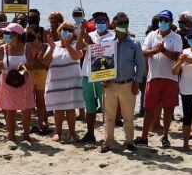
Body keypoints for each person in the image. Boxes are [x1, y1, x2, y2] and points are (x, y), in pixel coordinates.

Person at [100, 12, 146, 153]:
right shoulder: (106, 43)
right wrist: (102, 78)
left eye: (126, 23)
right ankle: (108, 141)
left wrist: (136, 83)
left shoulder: (134, 43)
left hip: (128, 84)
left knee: (128, 116)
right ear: (114, 24)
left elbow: (141, 65)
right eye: (120, 23)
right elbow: (100, 63)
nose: (123, 26)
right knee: (109, 116)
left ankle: (129, 141)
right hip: (110, 84)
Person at [138, 9, 182, 148]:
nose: (163, 23)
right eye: (161, 20)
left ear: (171, 22)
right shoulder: (151, 35)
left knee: (168, 109)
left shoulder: (176, 37)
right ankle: (144, 137)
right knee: (149, 108)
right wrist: (155, 51)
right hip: (154, 77)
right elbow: (144, 51)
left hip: (170, 78)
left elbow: (177, 56)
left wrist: (163, 50)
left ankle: (165, 136)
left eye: (166, 20)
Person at [44, 20, 87, 143]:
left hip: (71, 82)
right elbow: (46, 62)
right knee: (58, 109)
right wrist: (52, 48)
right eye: (64, 29)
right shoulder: (53, 45)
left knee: (70, 108)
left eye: (69, 30)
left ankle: (73, 132)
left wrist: (67, 45)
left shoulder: (75, 44)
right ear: (59, 31)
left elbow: (77, 57)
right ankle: (58, 132)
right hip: (56, 82)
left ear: (73, 33)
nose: (66, 32)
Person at [0, 23, 36, 142]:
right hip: (7, 80)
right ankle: (11, 134)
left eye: (8, 33)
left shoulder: (26, 47)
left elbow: (32, 64)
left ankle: (26, 134)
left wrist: (24, 66)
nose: (5, 35)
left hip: (23, 80)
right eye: (5, 33)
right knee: (10, 109)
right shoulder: (2, 48)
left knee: (27, 109)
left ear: (16, 35)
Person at [76, 11, 114, 144]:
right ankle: (90, 133)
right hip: (87, 74)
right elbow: (79, 47)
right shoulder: (90, 34)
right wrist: (82, 31)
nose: (100, 24)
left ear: (108, 22)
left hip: (103, 76)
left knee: (106, 108)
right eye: (98, 21)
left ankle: (107, 136)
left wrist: (91, 43)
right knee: (90, 107)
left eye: (103, 21)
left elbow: (103, 53)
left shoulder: (112, 37)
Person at [24, 22, 50, 135]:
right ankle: (32, 125)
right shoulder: (26, 45)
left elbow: (47, 64)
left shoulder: (45, 46)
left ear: (38, 34)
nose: (28, 35)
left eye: (31, 33)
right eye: (27, 33)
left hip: (42, 74)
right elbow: (26, 63)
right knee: (29, 102)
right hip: (30, 74)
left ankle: (42, 124)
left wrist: (39, 59)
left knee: (41, 102)